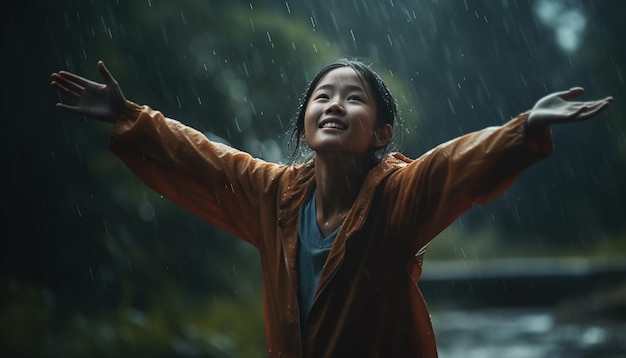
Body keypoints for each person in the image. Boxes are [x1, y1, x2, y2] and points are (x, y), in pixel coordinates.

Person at [51, 59, 612, 357]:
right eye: (322, 96)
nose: (334, 104)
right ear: (305, 124)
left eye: (353, 97)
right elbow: (205, 159)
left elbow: (452, 164)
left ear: (380, 132)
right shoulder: (273, 195)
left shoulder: (397, 197)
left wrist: (524, 128)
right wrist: (130, 117)